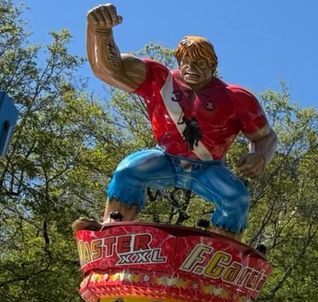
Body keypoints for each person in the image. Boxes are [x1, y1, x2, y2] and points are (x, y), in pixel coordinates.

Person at [80, 3, 276, 238]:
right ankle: (113, 228)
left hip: (208, 169)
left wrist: (260, 156)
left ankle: (224, 248)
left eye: (200, 64)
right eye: (187, 62)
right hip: (166, 158)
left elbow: (265, 137)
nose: (192, 68)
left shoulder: (235, 98)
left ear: (212, 66)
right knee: (127, 171)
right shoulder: (158, 79)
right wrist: (101, 32)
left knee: (236, 197)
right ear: (179, 61)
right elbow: (108, 69)